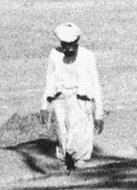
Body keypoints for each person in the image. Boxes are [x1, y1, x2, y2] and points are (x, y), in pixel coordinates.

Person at [43, 21, 104, 170]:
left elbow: (96, 84)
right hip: (61, 101)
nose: (68, 48)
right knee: (63, 135)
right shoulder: (54, 55)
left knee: (79, 138)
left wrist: (99, 114)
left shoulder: (87, 56)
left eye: (71, 44)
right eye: (65, 44)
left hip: (81, 102)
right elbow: (49, 80)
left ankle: (80, 166)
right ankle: (66, 165)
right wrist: (44, 106)